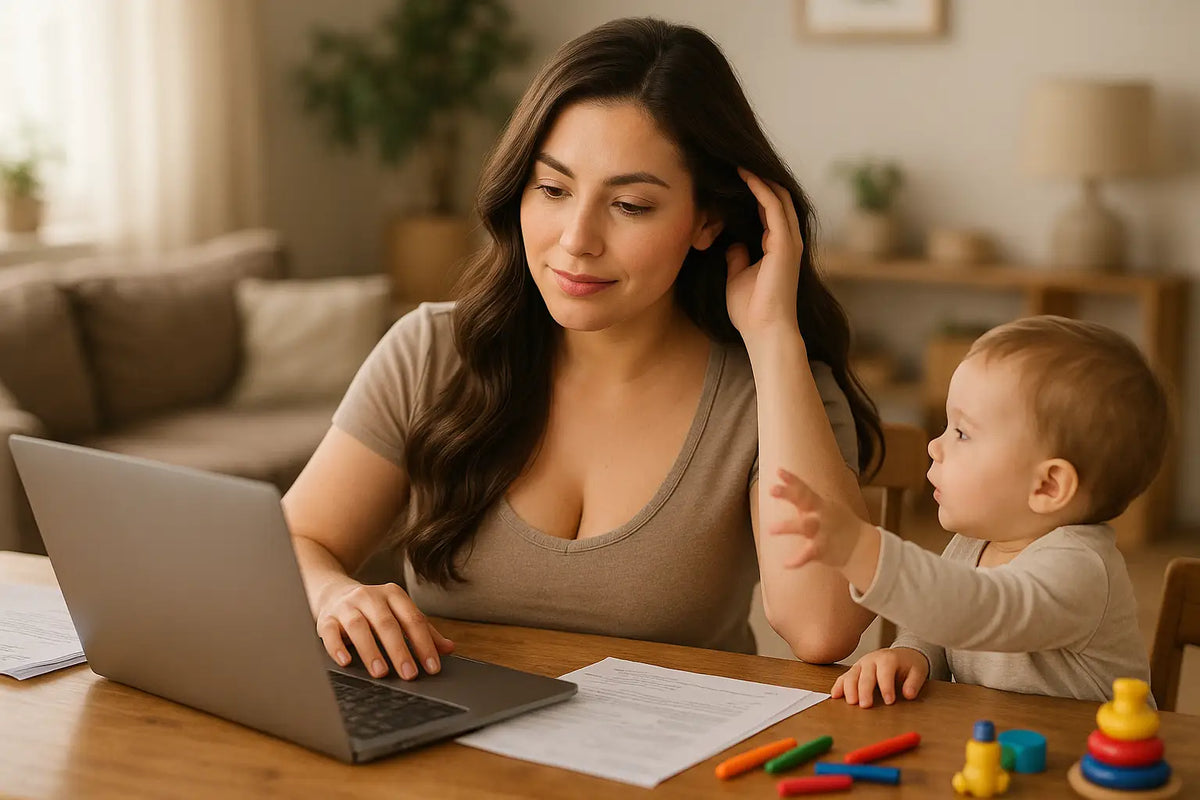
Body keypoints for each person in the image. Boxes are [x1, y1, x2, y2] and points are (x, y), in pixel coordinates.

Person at [283, 17, 883, 682]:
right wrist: (333, 593)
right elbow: (293, 542)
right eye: (553, 189)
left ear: (706, 219)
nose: (576, 239)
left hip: (673, 769)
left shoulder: (778, 390)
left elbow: (823, 628)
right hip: (446, 762)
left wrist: (773, 340)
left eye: (629, 205)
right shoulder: (430, 351)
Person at [768, 316, 1166, 705]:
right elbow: (940, 626)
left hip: (1099, 766)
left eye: (961, 432)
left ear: (1047, 486)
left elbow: (982, 609)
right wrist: (913, 653)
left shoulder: (1080, 569)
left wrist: (863, 550)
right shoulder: (974, 543)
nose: (934, 446)